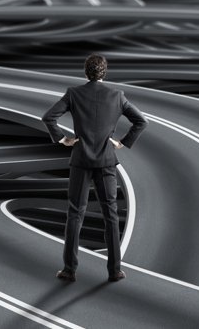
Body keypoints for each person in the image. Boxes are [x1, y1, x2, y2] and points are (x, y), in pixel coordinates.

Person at [41, 53, 148, 283]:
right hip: (107, 161)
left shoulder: (74, 94)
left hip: (80, 161)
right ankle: (115, 271)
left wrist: (63, 139)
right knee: (110, 216)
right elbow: (141, 121)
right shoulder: (117, 96)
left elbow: (48, 117)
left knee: (75, 215)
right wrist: (122, 142)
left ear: (85, 71)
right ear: (104, 72)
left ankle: (69, 270)